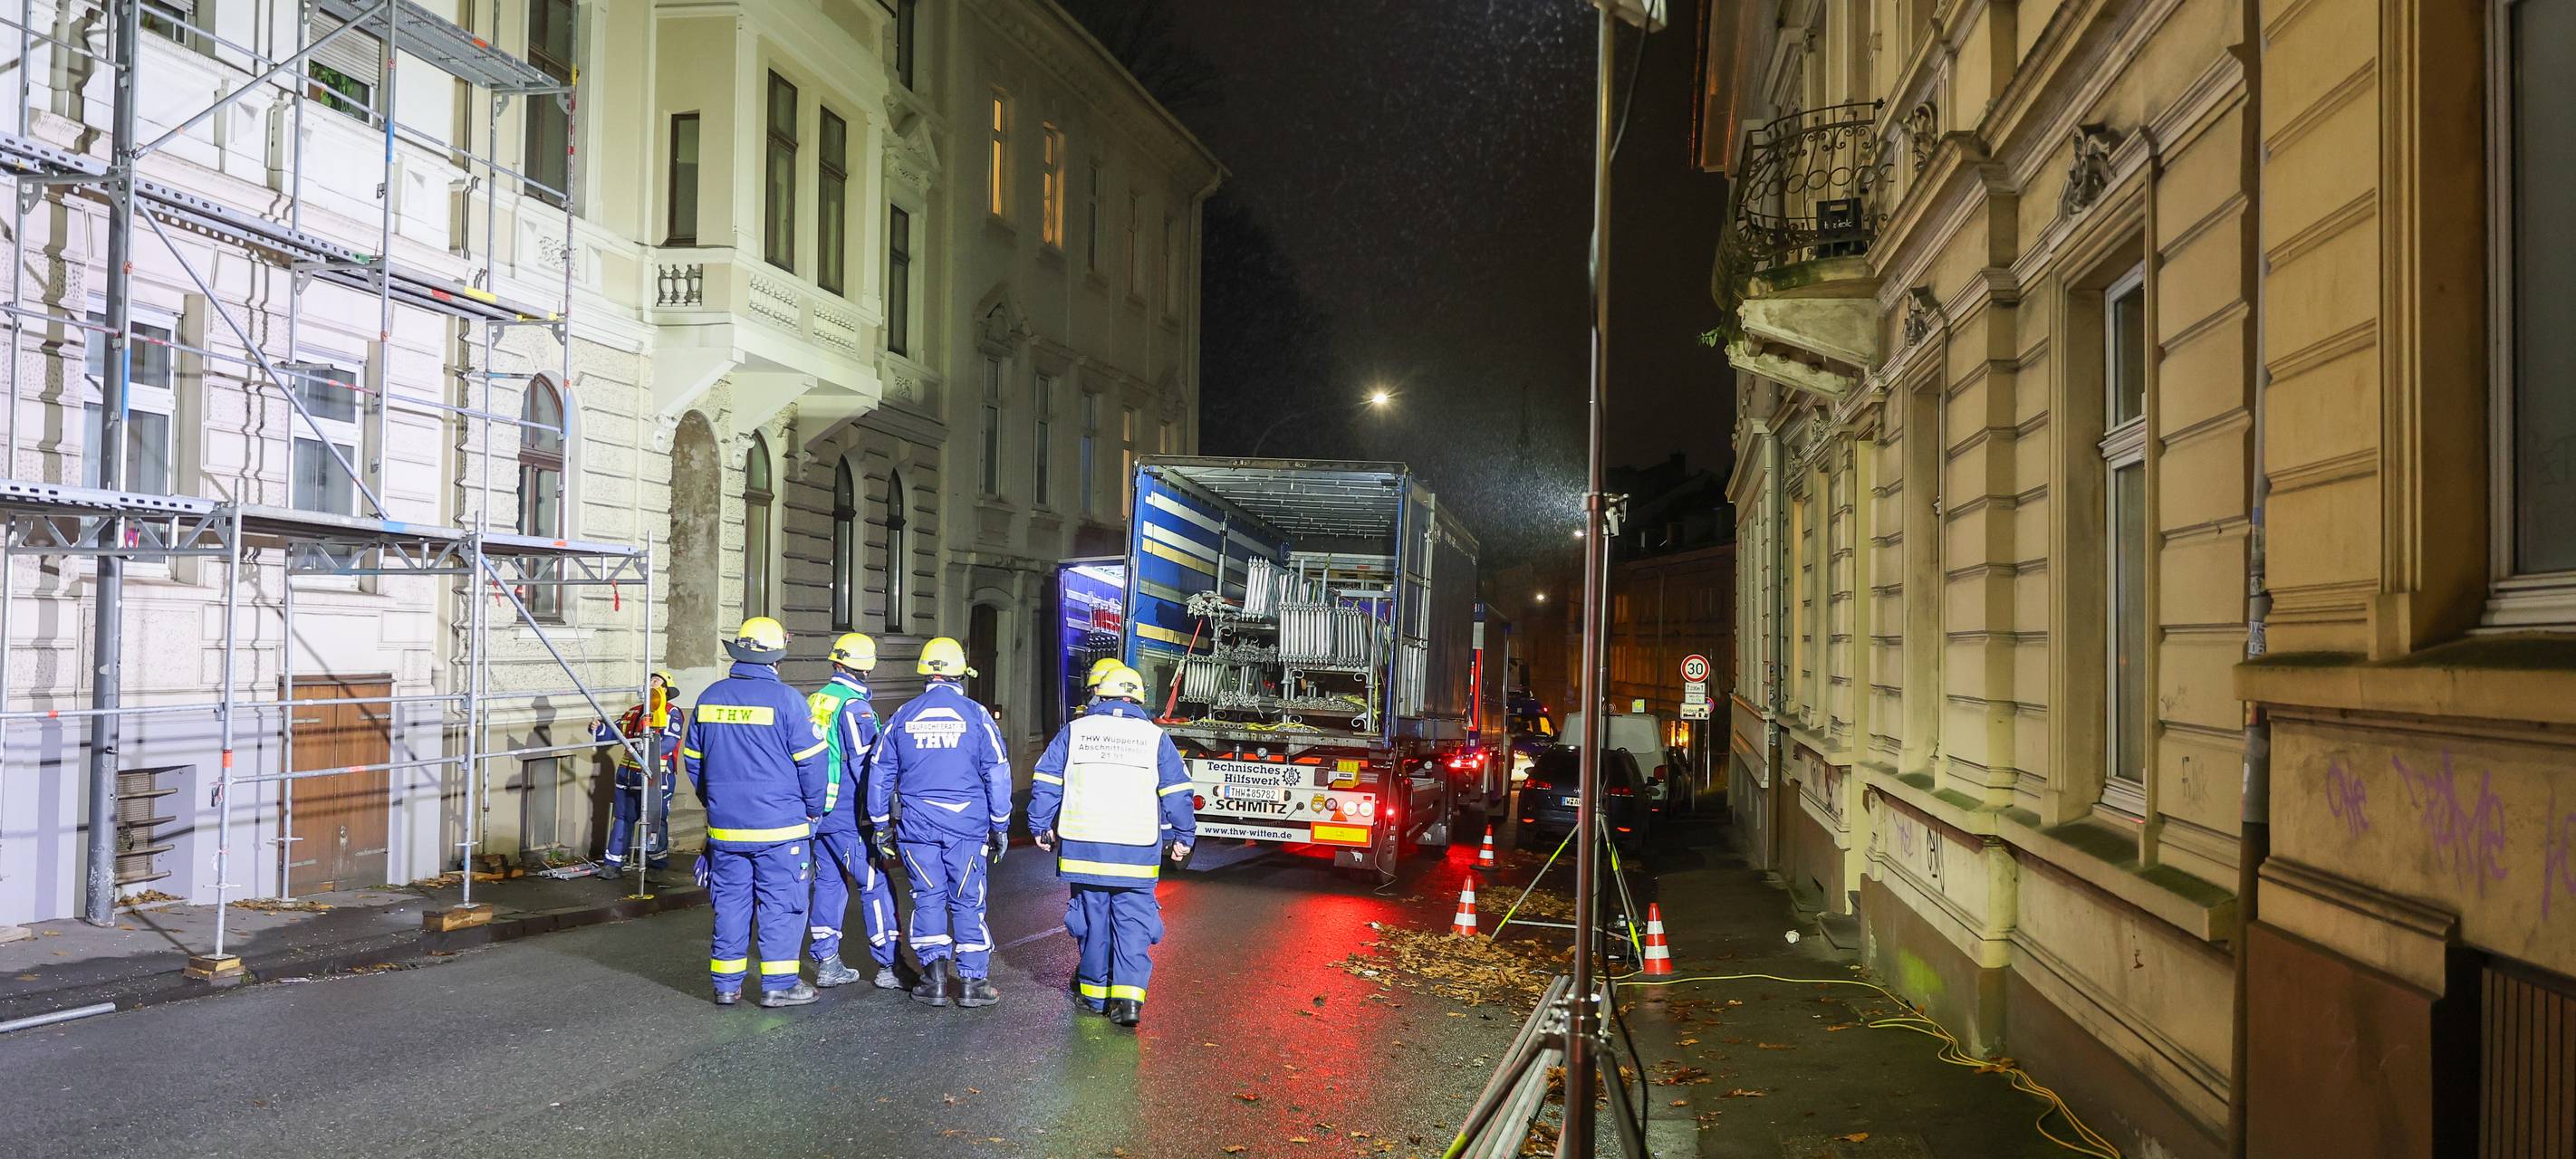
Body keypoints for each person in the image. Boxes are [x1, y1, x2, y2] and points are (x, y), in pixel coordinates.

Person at [1026, 664, 1195, 1028]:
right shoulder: (1155, 738)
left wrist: (1040, 825)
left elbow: (1046, 781)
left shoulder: (1075, 732)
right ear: (1138, 699)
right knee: (1134, 924)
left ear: (1098, 695)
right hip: (1136, 854)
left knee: (1092, 923)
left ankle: (1093, 996)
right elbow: (1178, 793)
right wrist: (1184, 837)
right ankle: (1129, 1002)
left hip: (1085, 852)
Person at [679, 618, 831, 1009]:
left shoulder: (709, 698)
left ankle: (726, 986)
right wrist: (813, 811)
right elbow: (813, 767)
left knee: (730, 903)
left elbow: (694, 763)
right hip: (781, 830)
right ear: (777, 657)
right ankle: (778, 985)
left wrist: (717, 804)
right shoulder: (788, 702)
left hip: (726, 830)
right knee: (782, 905)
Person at [865, 636, 1012, 1009]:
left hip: (917, 826)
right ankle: (972, 983)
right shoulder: (977, 716)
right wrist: (1000, 823)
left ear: (925, 675)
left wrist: (881, 824)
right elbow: (996, 771)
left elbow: (880, 772)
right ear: (961, 674)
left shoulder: (903, 715)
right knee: (967, 899)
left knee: (927, 897)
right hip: (966, 825)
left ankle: (933, 981)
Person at [803, 632, 901, 991]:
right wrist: (880, 813)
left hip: (819, 812)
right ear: (866, 668)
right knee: (874, 883)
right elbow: (867, 765)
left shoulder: (817, 699)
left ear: (836, 663)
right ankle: (889, 966)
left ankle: (827, 961)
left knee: (829, 883)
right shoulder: (855, 707)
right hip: (848, 812)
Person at [592, 671, 681, 876]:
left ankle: (655, 866)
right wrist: (598, 729)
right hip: (627, 777)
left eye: (656, 681)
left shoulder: (671, 713)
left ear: (665, 689)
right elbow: (612, 733)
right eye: (649, 680)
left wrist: (643, 748)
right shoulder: (633, 712)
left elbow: (668, 743)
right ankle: (613, 864)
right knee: (622, 818)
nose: (650, 683)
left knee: (655, 822)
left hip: (655, 778)